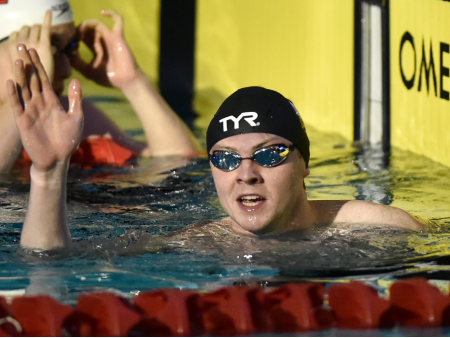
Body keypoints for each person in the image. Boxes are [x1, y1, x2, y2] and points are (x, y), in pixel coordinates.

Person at [8, 45, 426, 252]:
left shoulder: (381, 226)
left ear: (304, 165)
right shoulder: (193, 244)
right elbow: (51, 266)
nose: (247, 173)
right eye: (225, 159)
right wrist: (48, 173)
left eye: (269, 153)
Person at [0, 0, 202, 174]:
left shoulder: (71, 118)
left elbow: (186, 169)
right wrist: (21, 92)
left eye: (70, 47)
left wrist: (134, 83)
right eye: (47, 49)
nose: (66, 69)